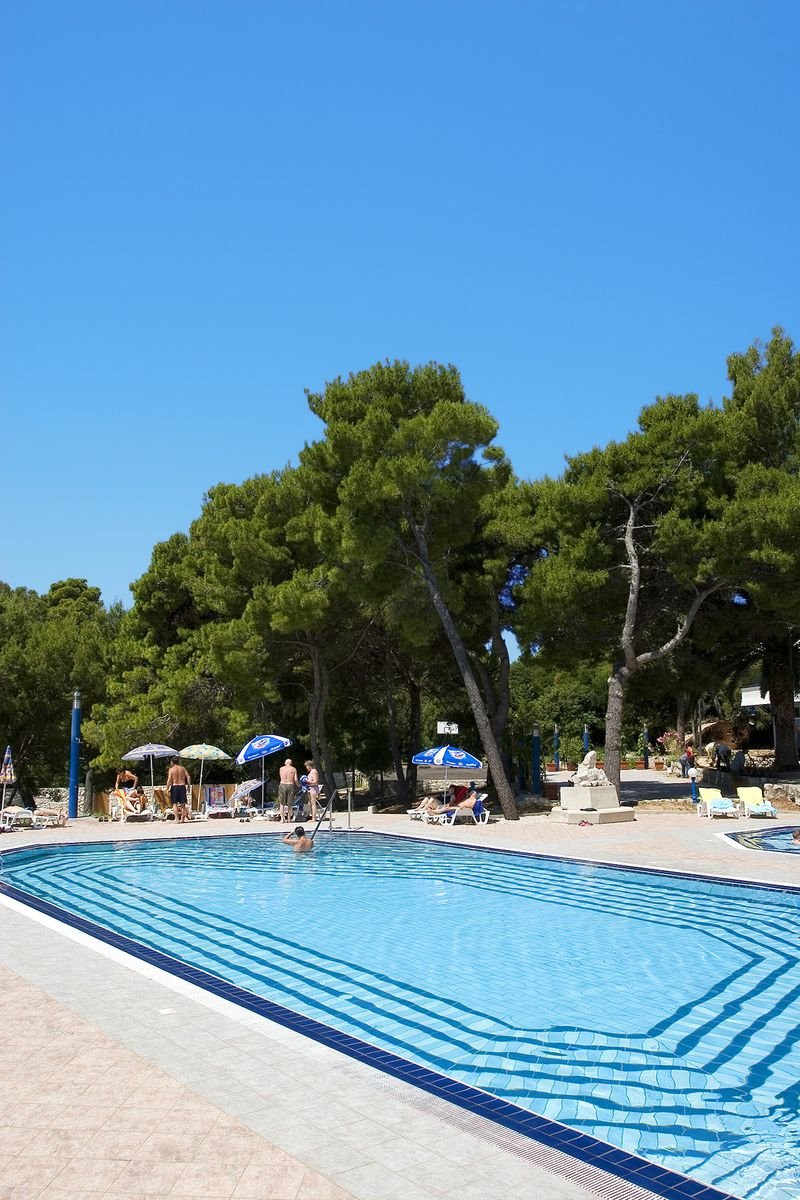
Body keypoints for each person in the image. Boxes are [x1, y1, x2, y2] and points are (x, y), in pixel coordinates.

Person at [166, 757, 192, 824]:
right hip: (182, 786)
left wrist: (167, 788)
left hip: (174, 787)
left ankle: (177, 819)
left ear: (172, 762)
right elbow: (188, 777)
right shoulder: (182, 768)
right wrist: (189, 786)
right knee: (183, 804)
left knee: (174, 804)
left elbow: (169, 780)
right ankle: (182, 819)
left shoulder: (171, 769)